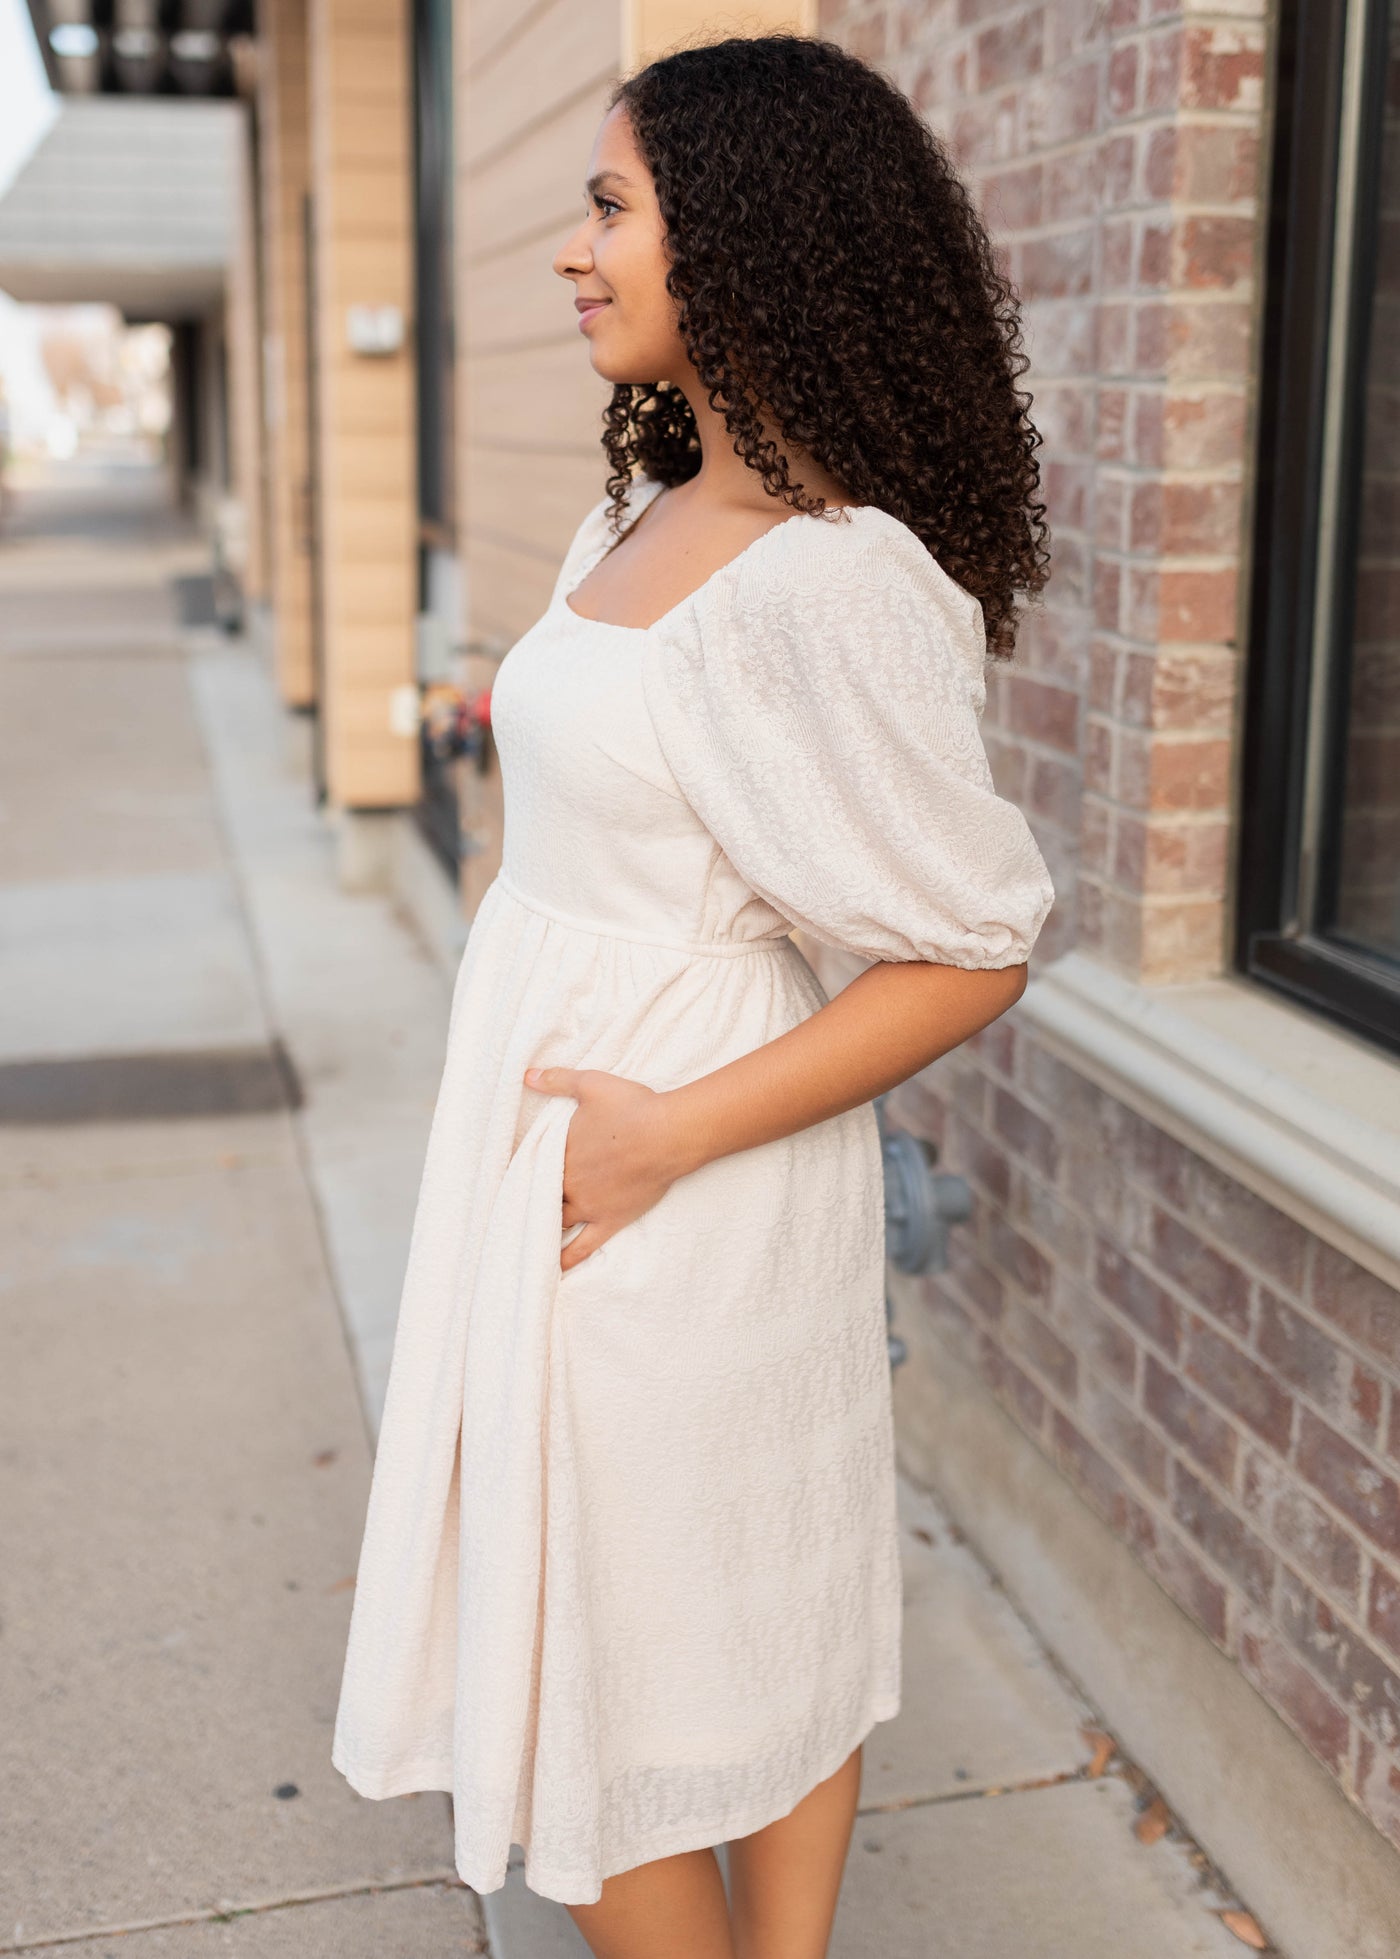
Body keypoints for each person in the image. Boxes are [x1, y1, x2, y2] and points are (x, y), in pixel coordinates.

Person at [332, 32, 1054, 1959]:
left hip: (685, 1172)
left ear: (742, 234)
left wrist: (665, 1137)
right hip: (572, 1154)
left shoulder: (830, 583)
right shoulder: (641, 511)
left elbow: (975, 945)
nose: (576, 251)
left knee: (690, 1624)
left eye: (613, 206)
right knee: (638, 1614)